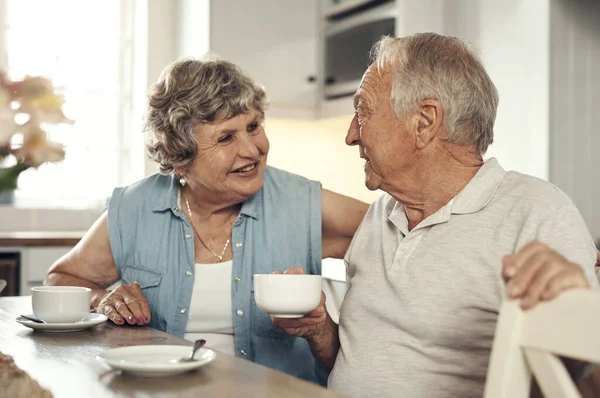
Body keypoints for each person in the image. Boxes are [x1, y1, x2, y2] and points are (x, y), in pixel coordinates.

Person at [273, 33, 599, 397]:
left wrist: (576, 316)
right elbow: (365, 364)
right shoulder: (382, 213)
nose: (351, 135)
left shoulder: (538, 213)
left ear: (425, 121)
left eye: (363, 111)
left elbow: (577, 376)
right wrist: (320, 332)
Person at [44, 59, 368, 385]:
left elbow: (400, 230)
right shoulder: (134, 208)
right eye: (226, 138)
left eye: (253, 126)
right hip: (159, 391)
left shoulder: (302, 202)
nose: (252, 150)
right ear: (179, 159)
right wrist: (103, 300)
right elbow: (61, 278)